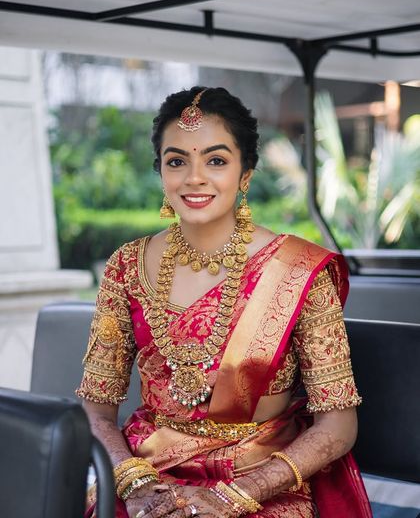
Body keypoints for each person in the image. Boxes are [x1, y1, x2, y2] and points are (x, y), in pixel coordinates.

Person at [76, 87, 372, 518]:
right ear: (160, 172)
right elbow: (97, 410)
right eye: (177, 161)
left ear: (245, 172)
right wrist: (134, 483)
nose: (195, 178)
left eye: (216, 160)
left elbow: (338, 425)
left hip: (263, 483)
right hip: (149, 477)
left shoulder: (298, 271)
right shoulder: (127, 266)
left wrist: (234, 495)